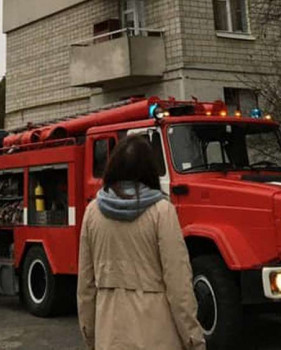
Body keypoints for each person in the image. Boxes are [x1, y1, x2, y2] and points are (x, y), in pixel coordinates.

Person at [77, 135, 205, 350]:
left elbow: (86, 287)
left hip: (109, 336)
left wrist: (90, 335)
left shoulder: (92, 213)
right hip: (157, 335)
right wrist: (193, 338)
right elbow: (178, 284)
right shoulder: (162, 211)